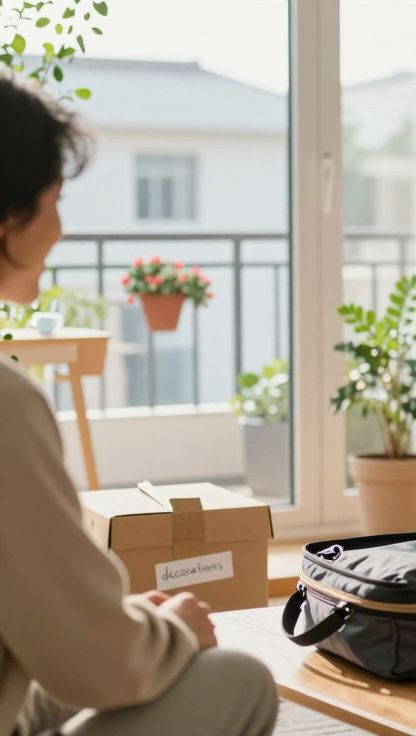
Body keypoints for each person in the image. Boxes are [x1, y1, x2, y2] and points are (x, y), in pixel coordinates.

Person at [0, 75, 278, 736]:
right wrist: (173, 628)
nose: (63, 228)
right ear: (9, 217)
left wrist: (127, 623)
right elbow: (99, 670)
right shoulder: (6, 405)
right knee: (238, 678)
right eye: (56, 200)